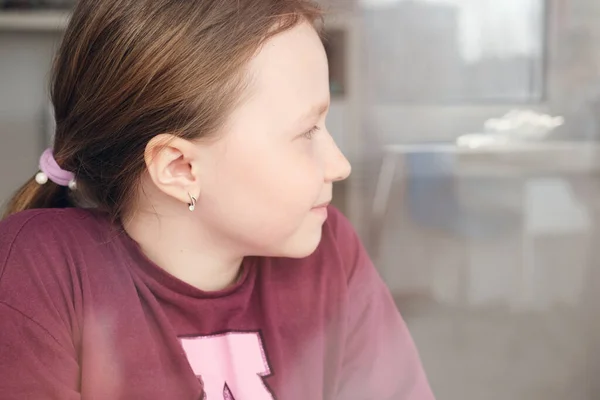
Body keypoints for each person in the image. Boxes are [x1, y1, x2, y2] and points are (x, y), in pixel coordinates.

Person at [0, 0, 434, 399]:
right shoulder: (37, 271)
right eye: (306, 133)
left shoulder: (331, 254)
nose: (339, 165)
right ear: (180, 168)